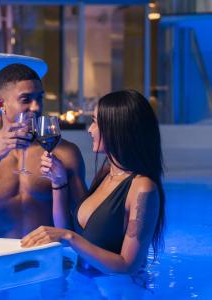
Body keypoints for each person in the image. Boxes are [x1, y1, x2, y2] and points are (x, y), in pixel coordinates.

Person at [21, 89, 165, 278]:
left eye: (96, 122)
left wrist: (69, 238)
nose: (90, 129)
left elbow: (128, 266)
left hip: (120, 292)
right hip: (89, 288)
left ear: (117, 127)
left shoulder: (143, 188)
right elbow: (69, 231)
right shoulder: (107, 174)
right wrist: (58, 183)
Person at [0, 63, 87, 238]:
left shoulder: (65, 152)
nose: (36, 107)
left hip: (46, 256)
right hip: (0, 256)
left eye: (39, 98)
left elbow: (84, 223)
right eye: (26, 99)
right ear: (1, 104)